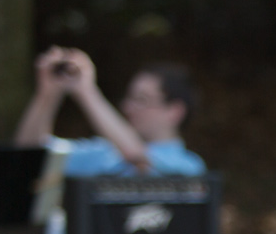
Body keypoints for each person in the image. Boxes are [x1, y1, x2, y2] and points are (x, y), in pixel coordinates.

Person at [14, 49, 206, 177]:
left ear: (175, 111)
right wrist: (47, 95)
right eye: (129, 98)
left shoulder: (187, 166)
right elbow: (31, 154)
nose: (128, 108)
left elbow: (137, 157)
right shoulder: (103, 153)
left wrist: (87, 92)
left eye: (142, 100)